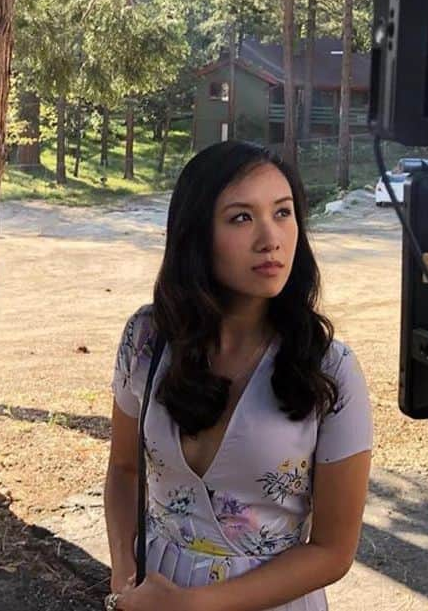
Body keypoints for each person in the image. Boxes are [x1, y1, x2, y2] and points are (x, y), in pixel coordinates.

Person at [104, 140, 373, 611]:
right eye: (241, 217)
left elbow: (333, 550)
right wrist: (125, 581)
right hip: (154, 592)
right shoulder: (148, 339)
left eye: (283, 213)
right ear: (196, 235)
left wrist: (194, 606)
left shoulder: (329, 369)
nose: (270, 238)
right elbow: (125, 469)